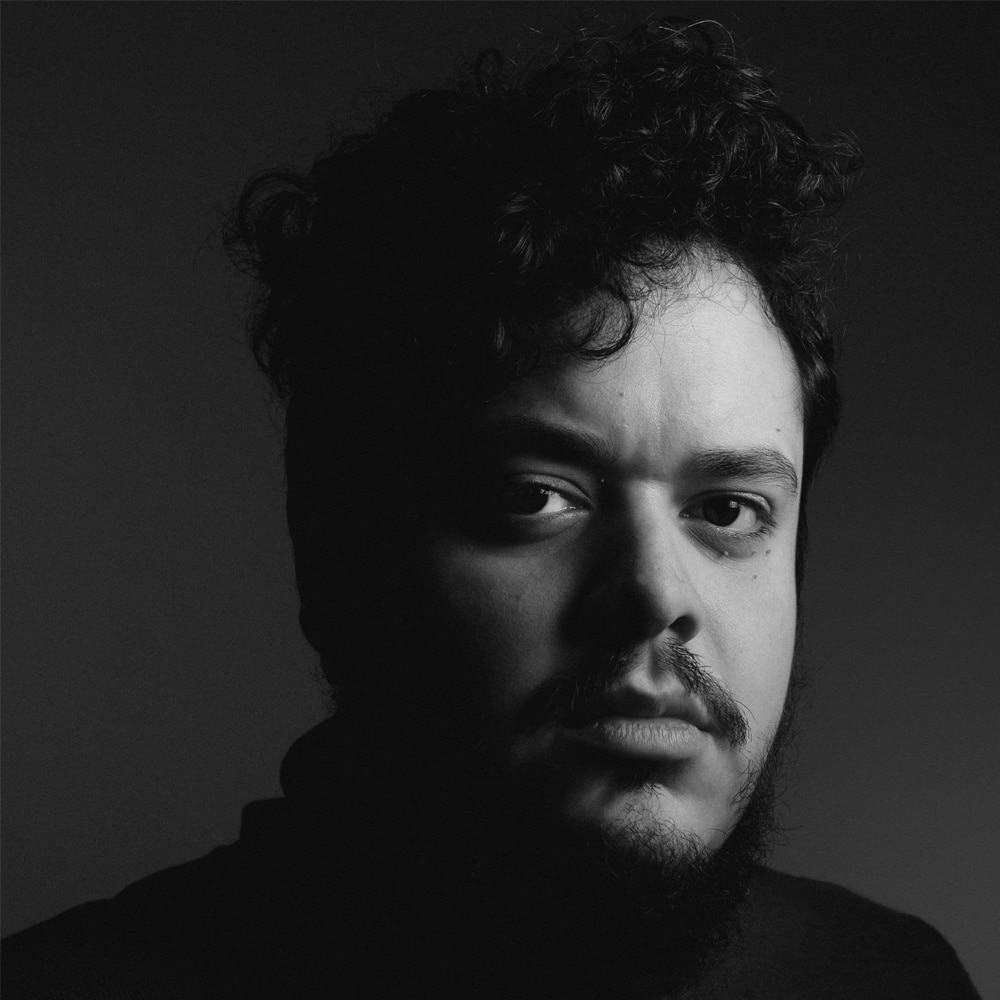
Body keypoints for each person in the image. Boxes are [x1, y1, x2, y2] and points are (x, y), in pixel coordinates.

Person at [2, 21, 981, 1000]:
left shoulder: (892, 980)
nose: (654, 595)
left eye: (727, 510)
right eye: (532, 497)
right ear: (337, 554)